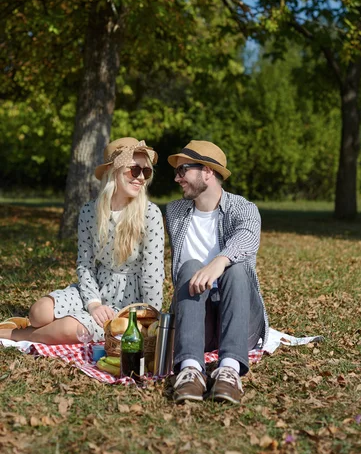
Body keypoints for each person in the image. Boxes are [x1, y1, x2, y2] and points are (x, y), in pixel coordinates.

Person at [0, 137, 164, 345]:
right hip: (95, 287)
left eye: (146, 171)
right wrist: (93, 304)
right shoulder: (89, 211)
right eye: (134, 170)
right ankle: (39, 327)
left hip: (128, 302)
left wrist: (151, 322)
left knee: (70, 329)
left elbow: (153, 274)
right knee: (38, 313)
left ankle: (14, 334)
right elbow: (85, 264)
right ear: (114, 171)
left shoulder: (150, 214)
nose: (141, 178)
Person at [166, 140, 268, 404]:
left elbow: (247, 238)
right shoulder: (175, 212)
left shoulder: (243, 208)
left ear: (208, 172)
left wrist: (219, 261)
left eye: (183, 170)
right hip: (197, 318)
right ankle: (190, 369)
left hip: (240, 316)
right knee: (189, 267)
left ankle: (230, 371)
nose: (177, 178)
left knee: (234, 270)